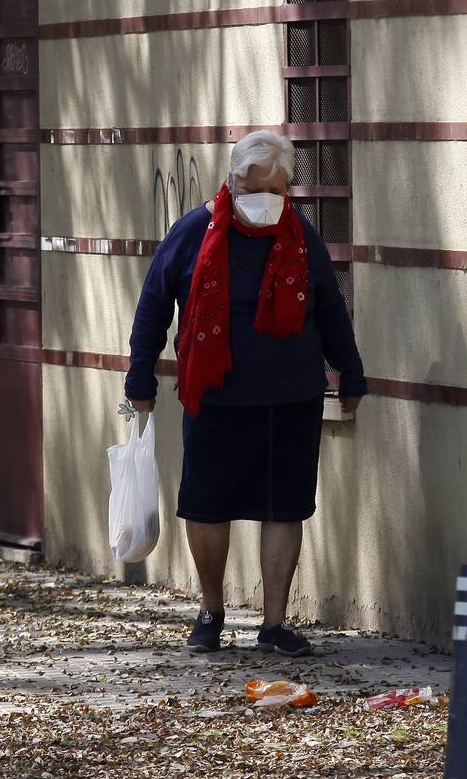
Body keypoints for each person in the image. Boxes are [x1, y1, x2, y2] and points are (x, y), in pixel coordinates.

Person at [124, 130, 367, 655]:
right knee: (208, 507)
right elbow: (152, 307)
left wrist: (351, 375)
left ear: (287, 188)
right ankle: (211, 610)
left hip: (290, 397)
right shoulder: (194, 232)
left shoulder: (300, 235)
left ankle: (275, 624)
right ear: (233, 182)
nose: (264, 201)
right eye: (254, 189)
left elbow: (329, 309)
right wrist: (139, 379)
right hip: (215, 398)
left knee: (284, 508)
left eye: (274, 191)